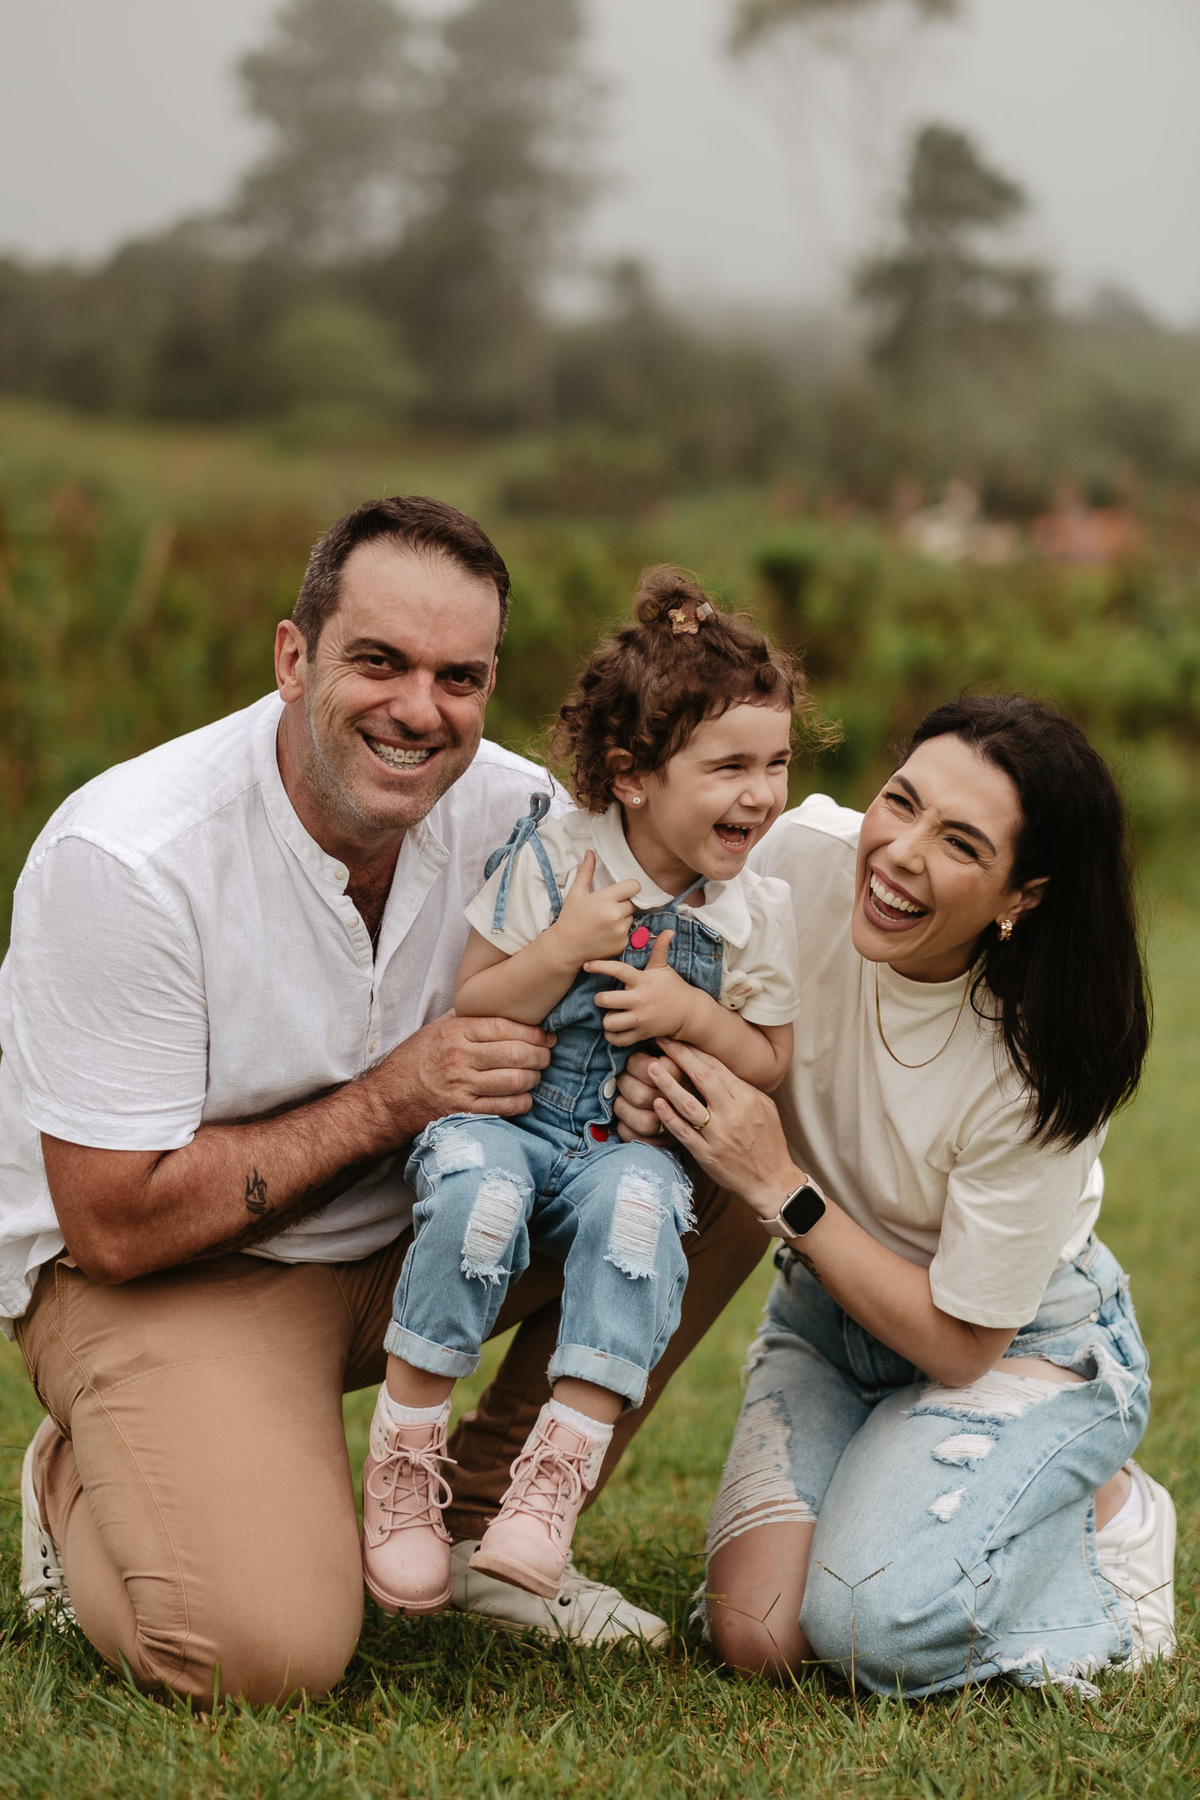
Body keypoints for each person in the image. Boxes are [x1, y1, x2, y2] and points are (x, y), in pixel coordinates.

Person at [0, 496, 770, 1706]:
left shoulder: (529, 818)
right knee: (261, 1651)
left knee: (718, 1145)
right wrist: (396, 1095)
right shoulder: (132, 859)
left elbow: (729, 841)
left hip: (434, 1225)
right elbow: (111, 1225)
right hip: (173, 1273)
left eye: (459, 678)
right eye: (379, 661)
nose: (420, 709)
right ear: (293, 656)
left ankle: (480, 1530)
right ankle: (81, 1477)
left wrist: (657, 1075)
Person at [618, 695, 1176, 1694]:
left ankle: (1109, 1514)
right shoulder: (799, 862)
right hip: (831, 1317)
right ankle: (905, 1481)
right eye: (901, 801)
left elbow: (963, 1346)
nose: (900, 854)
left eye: (959, 843)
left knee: (868, 1623)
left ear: (1021, 895)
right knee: (757, 1634)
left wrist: (779, 1184)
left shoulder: (1044, 1058)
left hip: (1013, 1343)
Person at [360, 569, 804, 1614]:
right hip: (509, 1122)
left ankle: (546, 1490)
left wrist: (691, 1015)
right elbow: (478, 997)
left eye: (777, 763)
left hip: (621, 1148)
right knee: (478, 1198)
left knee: (642, 1211)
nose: (761, 794)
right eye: (730, 766)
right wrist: (565, 946)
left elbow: (767, 1057)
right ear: (633, 777)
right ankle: (405, 1463)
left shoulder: (756, 911)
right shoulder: (560, 856)